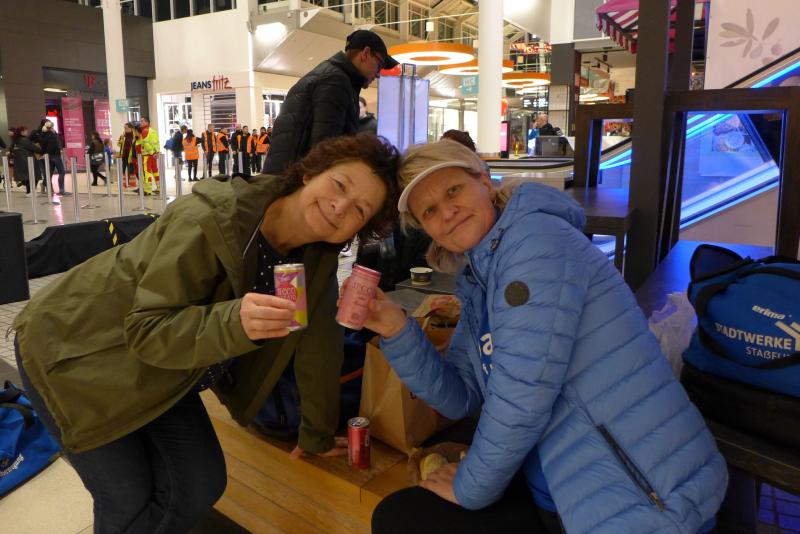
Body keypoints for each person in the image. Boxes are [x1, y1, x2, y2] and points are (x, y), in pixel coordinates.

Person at [12, 133, 401, 533]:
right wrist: (235, 323)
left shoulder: (316, 257)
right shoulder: (213, 219)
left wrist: (316, 434)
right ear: (310, 173)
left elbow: (319, 347)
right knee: (127, 500)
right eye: (339, 185)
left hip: (166, 367)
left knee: (200, 483)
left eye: (360, 210)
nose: (340, 206)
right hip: (77, 350)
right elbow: (147, 328)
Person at [365, 139, 728, 534]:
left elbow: (522, 397)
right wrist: (397, 330)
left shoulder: (535, 241)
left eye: (453, 190)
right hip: (560, 485)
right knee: (402, 515)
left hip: (643, 496)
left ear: (485, 182)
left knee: (403, 519)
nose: (447, 212)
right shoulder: (479, 279)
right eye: (430, 211)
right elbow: (461, 397)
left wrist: (469, 487)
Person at [263, 29, 398, 174]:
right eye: (379, 64)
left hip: (288, 175)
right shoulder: (335, 82)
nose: (378, 75)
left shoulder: (334, 76)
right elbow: (324, 153)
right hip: (291, 179)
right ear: (365, 53)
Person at [39, 119, 69, 196]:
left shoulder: (43, 135)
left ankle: (44, 184)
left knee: (50, 173)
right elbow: (54, 146)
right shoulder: (53, 135)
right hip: (55, 155)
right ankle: (61, 190)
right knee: (62, 172)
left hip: (48, 157)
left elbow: (43, 147)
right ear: (51, 127)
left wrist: (45, 153)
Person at [11, 126, 41, 196]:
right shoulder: (24, 140)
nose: (27, 132)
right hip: (28, 160)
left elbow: (11, 149)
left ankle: (28, 191)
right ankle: (31, 191)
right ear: (22, 132)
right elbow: (35, 148)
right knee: (35, 175)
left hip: (20, 161)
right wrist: (40, 149)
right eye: (26, 130)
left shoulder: (16, 140)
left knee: (27, 177)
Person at [139, 116, 160, 195]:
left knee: (147, 172)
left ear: (147, 122)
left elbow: (146, 144)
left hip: (147, 155)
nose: (141, 123)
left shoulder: (144, 131)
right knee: (155, 171)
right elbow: (157, 142)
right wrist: (157, 152)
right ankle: (159, 187)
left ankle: (147, 190)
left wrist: (151, 153)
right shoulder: (153, 131)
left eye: (142, 121)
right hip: (154, 155)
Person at [117, 122, 136, 188]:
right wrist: (120, 142)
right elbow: (118, 144)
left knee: (131, 169)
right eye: (124, 128)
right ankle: (123, 184)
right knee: (123, 168)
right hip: (124, 155)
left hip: (132, 155)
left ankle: (132, 183)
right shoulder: (123, 135)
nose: (125, 129)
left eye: (126, 128)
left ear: (131, 128)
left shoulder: (134, 136)